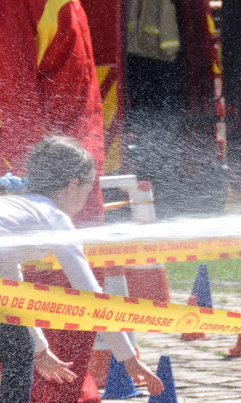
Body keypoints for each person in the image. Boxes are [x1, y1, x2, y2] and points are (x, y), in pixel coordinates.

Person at [0, 0, 113, 403]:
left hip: (71, 189)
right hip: (48, 196)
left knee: (80, 316)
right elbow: (13, 103)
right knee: (55, 316)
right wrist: (41, 197)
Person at [0, 137, 164, 402]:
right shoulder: (54, 216)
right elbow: (91, 296)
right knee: (18, 346)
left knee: (18, 344)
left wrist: (40, 350)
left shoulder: (18, 207)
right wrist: (129, 359)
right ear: (72, 186)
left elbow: (10, 290)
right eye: (88, 192)